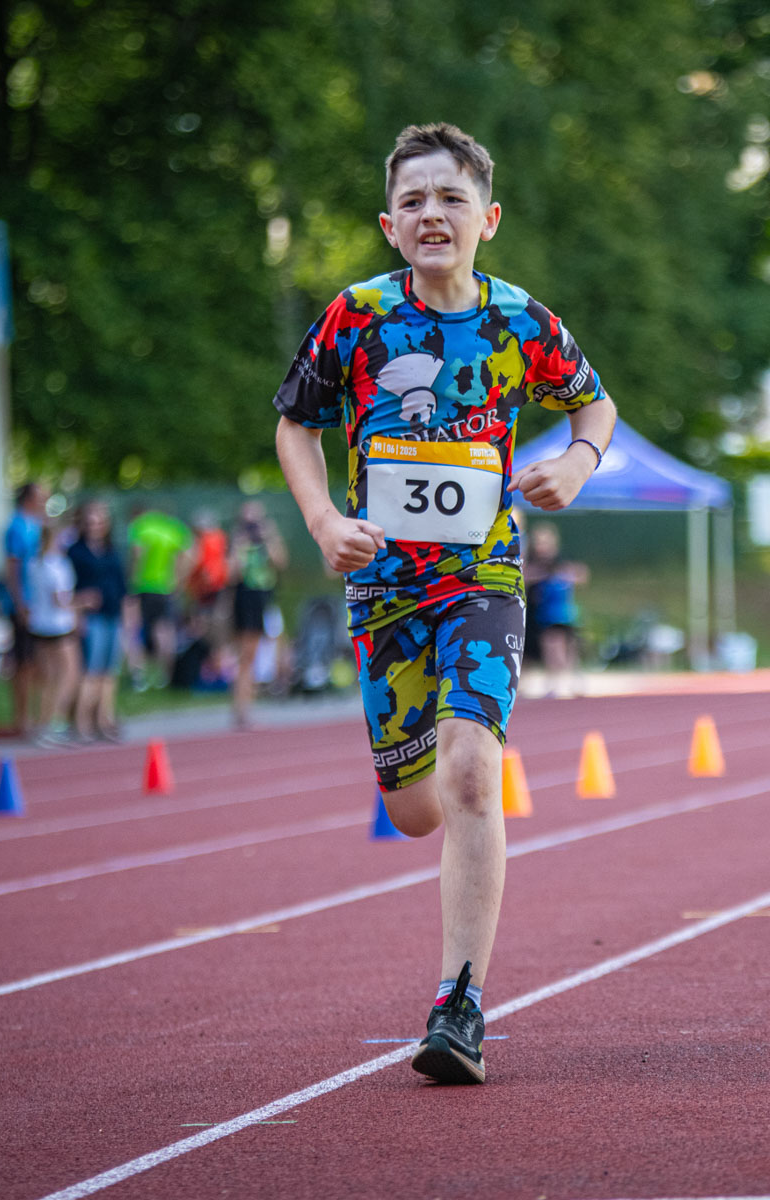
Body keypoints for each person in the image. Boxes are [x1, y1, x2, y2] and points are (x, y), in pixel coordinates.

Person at [272, 123, 617, 1085]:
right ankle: (421, 766)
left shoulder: (522, 323)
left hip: (484, 579)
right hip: (384, 590)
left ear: (487, 218)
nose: (433, 214)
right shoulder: (357, 317)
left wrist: (578, 461)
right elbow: (296, 425)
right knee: (415, 810)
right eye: (414, 200)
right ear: (390, 225)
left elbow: (595, 403)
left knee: (471, 774)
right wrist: (321, 519)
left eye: (452, 198)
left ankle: (458, 1003)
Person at [68, 500, 129, 742]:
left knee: (109, 672)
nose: (95, 526)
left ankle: (104, 720)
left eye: (99, 522)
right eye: (90, 522)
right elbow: (67, 587)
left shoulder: (111, 550)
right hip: (91, 617)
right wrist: (78, 608)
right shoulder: (76, 552)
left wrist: (129, 617)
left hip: (113, 614)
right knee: (91, 671)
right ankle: (81, 722)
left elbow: (123, 587)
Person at [227, 499, 288, 728]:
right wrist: (239, 547)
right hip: (247, 600)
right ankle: (242, 709)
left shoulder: (268, 540)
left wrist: (269, 536)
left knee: (277, 650)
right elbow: (231, 574)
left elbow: (280, 562)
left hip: (265, 600)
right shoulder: (238, 542)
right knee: (246, 657)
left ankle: (270, 692)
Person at [125, 503, 192, 690]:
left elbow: (137, 554)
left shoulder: (140, 526)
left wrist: (131, 581)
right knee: (164, 631)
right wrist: (178, 579)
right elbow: (188, 555)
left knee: (133, 630)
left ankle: (138, 675)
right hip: (165, 587)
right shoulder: (173, 527)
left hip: (142, 586)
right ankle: (166, 676)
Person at [26, 519, 80, 746]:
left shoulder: (35, 563)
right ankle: (54, 721)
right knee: (68, 675)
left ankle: (43, 723)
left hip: (40, 624)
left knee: (48, 678)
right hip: (58, 625)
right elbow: (60, 600)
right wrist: (82, 604)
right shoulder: (57, 565)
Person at [1, 482, 49, 736]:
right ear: (29, 498)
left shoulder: (39, 525)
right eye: (41, 497)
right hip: (26, 604)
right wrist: (19, 603)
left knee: (41, 661)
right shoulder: (17, 527)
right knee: (24, 662)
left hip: (42, 605)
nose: (45, 502)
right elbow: (12, 567)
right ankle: (22, 718)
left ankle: (41, 716)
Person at [523, 523, 589, 698]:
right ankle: (555, 683)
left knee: (569, 649)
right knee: (551, 648)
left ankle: (575, 682)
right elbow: (524, 576)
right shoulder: (533, 564)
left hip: (565, 613)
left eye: (545, 543)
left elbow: (581, 574)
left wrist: (564, 575)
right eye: (538, 543)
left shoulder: (562, 561)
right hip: (544, 614)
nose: (541, 547)